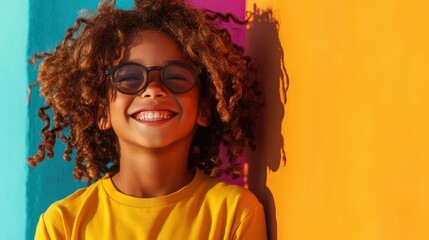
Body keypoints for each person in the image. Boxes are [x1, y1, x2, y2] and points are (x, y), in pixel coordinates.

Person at [29, 0, 266, 239]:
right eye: (130, 77)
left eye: (176, 76)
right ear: (102, 113)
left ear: (204, 108)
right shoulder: (63, 224)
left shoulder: (234, 213)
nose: (153, 89)